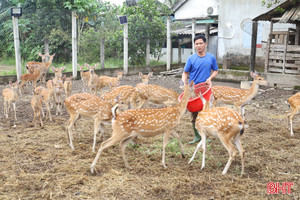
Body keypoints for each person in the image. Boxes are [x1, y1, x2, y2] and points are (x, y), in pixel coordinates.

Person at [181, 34, 218, 144]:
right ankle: (197, 136)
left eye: (201, 43)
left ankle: (206, 136)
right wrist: (184, 83)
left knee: (206, 113)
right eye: (196, 44)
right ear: (194, 45)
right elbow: (185, 73)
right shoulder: (191, 58)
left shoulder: (211, 57)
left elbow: (216, 70)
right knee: (194, 113)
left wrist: (210, 78)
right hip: (194, 91)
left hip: (206, 90)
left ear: (205, 44)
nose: (199, 45)